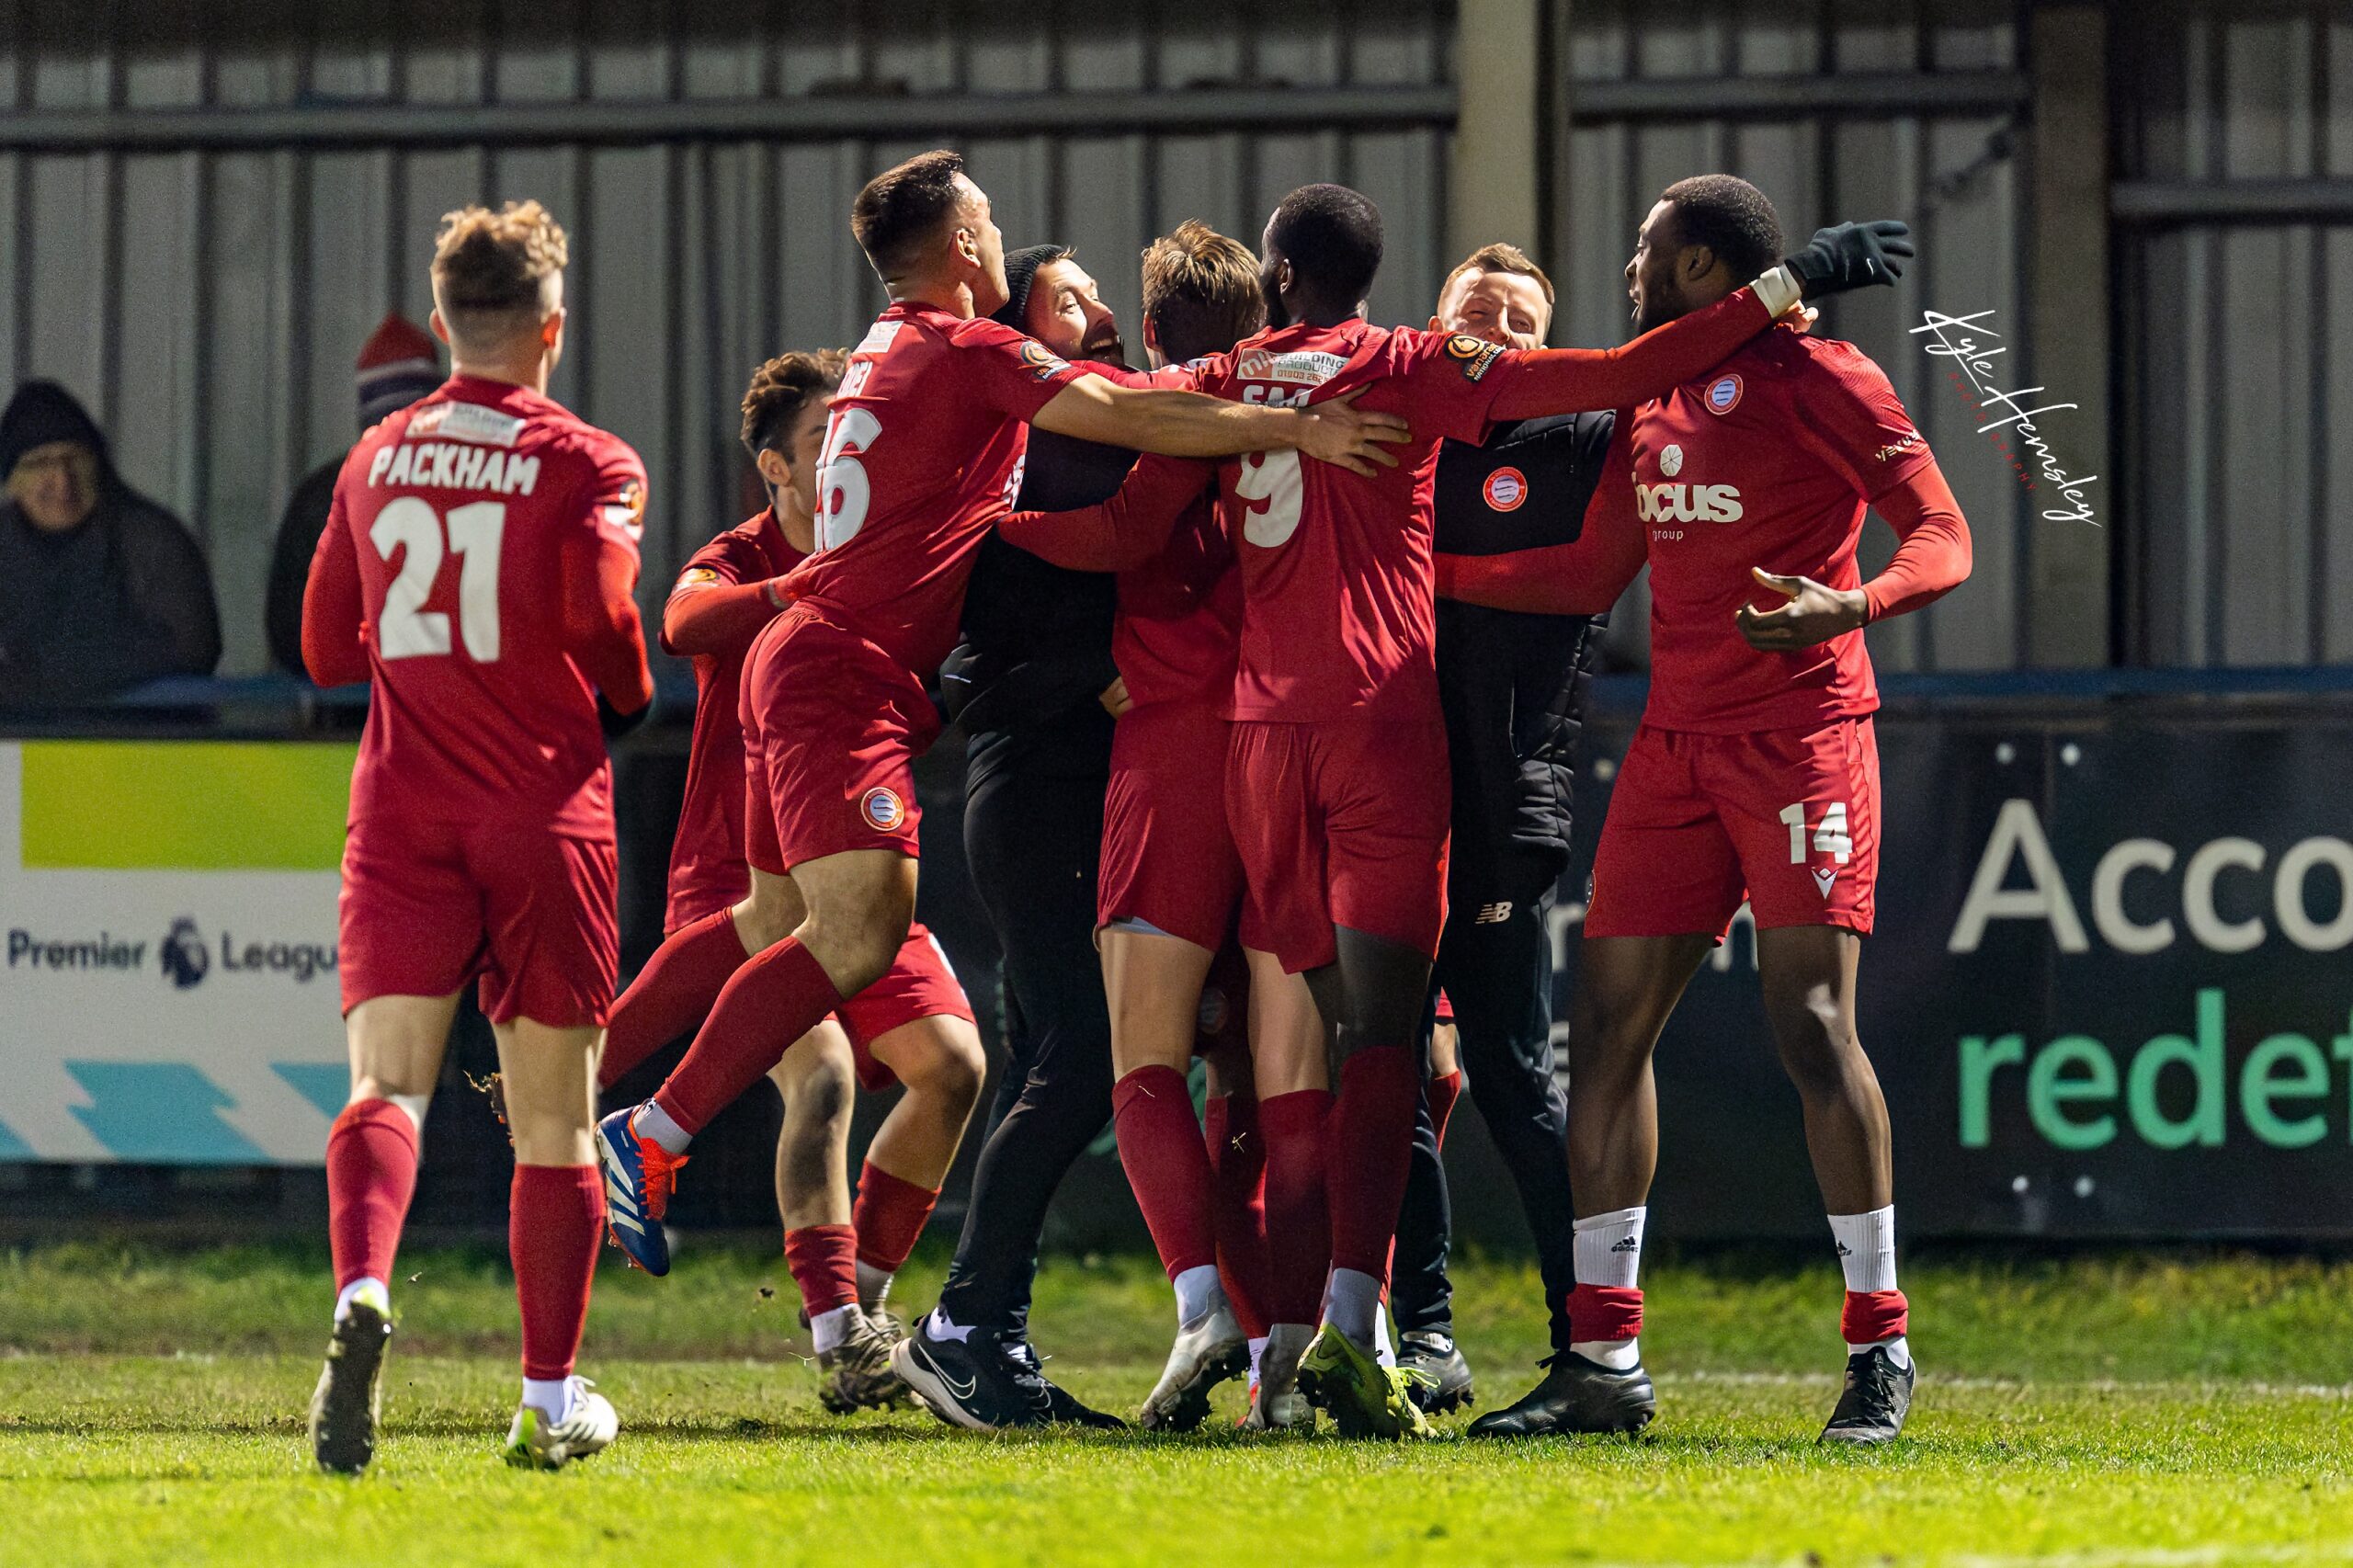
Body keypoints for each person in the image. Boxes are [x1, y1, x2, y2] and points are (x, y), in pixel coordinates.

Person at [1015, 182, 1911, 1437]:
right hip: (1389, 730)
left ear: (1278, 276)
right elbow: (1624, 369)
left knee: (1281, 1066)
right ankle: (1361, 1323)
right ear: (1409, 295)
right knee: (1390, 1050)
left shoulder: (1224, 379)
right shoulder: (1419, 368)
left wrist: (978, 513)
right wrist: (1783, 283)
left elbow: (1117, 485)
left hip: (1261, 744)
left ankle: (1274, 1328)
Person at [593, 149, 1409, 1433]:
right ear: (966, 247)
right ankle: (677, 1144)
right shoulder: (971, 356)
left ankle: (888, 1295)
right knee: (910, 971)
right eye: (993, 225)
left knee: (918, 1014)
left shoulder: (899, 355)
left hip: (852, 681)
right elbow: (1133, 440)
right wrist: (1288, 420)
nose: (1007, 242)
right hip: (875, 694)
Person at [1437, 175, 1968, 1446]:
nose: (1630, 261)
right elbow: (1583, 568)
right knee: (1607, 1036)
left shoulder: (1827, 380)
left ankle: (1878, 1348)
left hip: (1801, 741)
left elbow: (1942, 534)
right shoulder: (1651, 393)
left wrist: (1851, 606)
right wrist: (1406, 572)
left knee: (1814, 1023)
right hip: (1675, 751)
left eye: (1646, 244)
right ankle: (1604, 1356)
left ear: (1699, 264)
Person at [301, 199, 655, 1474]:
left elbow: (327, 648)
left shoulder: (375, 456)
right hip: (543, 805)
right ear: (553, 328)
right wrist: (627, 691)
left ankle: (359, 1289)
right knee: (554, 1120)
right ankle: (548, 1400)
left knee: (384, 1079)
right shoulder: (592, 461)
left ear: (445, 323)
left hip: (403, 800)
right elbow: (608, 621)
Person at [586, 350, 986, 1412]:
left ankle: (860, 1304)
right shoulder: (740, 555)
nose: (846, 456)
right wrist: (793, 586)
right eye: (823, 445)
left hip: (845, 862)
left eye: (854, 437)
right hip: (738, 875)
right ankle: (832, 1336)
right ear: (775, 465)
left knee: (951, 1065)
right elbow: (680, 624)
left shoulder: (890, 541)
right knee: (823, 1084)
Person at [988, 220, 1324, 1430]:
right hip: (1293, 745)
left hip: (1176, 744)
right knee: (1284, 1071)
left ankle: (1205, 1310)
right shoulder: (1316, 404)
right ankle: (1312, 1338)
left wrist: (986, 527)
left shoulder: (1170, 405)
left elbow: (1128, 531)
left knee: (1144, 1058)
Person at [1385, 244, 1616, 1415]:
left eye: (1524, 321)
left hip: (1496, 809)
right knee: (1395, 1072)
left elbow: (1594, 577)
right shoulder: (1389, 434)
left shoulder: (1574, 446)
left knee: (1514, 1073)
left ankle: (1586, 1337)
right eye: (1480, 312)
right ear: (1434, 325)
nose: (1501, 332)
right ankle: (1423, 1331)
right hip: (1375, 798)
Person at [0, 380, 221, 705]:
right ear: (11, 482)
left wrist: (35, 677)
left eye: (75, 459)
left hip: (144, 742)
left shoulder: (151, 541)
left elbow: (193, 647)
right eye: (39, 464)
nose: (62, 481)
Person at [267, 316, 444, 675]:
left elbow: (291, 634)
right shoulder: (477, 480)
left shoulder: (326, 492)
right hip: (447, 706)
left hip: (349, 714)